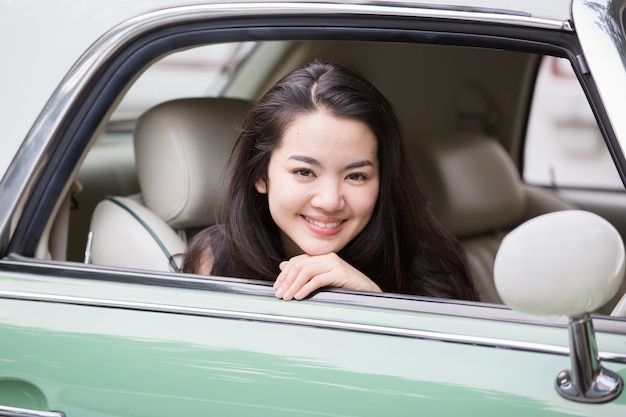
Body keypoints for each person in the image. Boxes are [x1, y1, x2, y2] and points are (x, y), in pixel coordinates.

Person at [183, 60, 478, 302]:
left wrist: (373, 302)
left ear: (382, 181)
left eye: (356, 176)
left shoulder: (428, 263)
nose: (329, 200)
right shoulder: (216, 259)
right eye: (304, 172)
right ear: (260, 174)